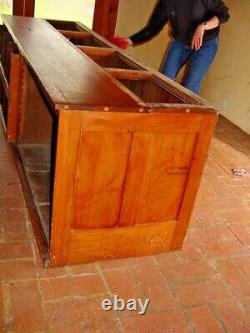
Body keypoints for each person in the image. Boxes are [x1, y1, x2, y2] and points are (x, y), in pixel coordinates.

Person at [111, 0, 230, 94]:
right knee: (164, 81)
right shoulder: (166, 2)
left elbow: (223, 14)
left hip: (205, 44)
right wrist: (130, 40)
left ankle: (185, 121)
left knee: (189, 87)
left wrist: (203, 26)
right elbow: (153, 28)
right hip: (181, 41)